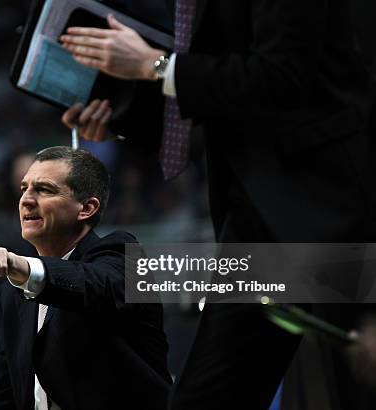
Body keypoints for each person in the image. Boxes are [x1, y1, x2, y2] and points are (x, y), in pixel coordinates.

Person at [58, 1, 376, 409]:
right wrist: (122, 111)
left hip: (325, 203)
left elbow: (284, 75)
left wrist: (155, 66)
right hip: (260, 214)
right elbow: (214, 60)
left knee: (357, 377)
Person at [0, 146, 172, 410]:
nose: (25, 199)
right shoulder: (12, 294)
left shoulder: (123, 257)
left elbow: (91, 283)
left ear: (87, 208)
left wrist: (18, 264)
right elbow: (4, 397)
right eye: (24, 188)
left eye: (44, 189)